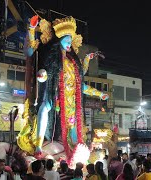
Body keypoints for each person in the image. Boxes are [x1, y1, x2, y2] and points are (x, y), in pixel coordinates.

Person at [18, 15, 109, 163]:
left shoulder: (72, 63)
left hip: (70, 104)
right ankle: (39, 145)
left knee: (73, 128)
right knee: (44, 108)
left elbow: (81, 85)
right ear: (59, 40)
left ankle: (75, 151)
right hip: (52, 96)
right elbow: (31, 56)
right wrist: (31, 29)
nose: (69, 43)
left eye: (70, 40)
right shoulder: (51, 58)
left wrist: (100, 94)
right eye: (66, 40)